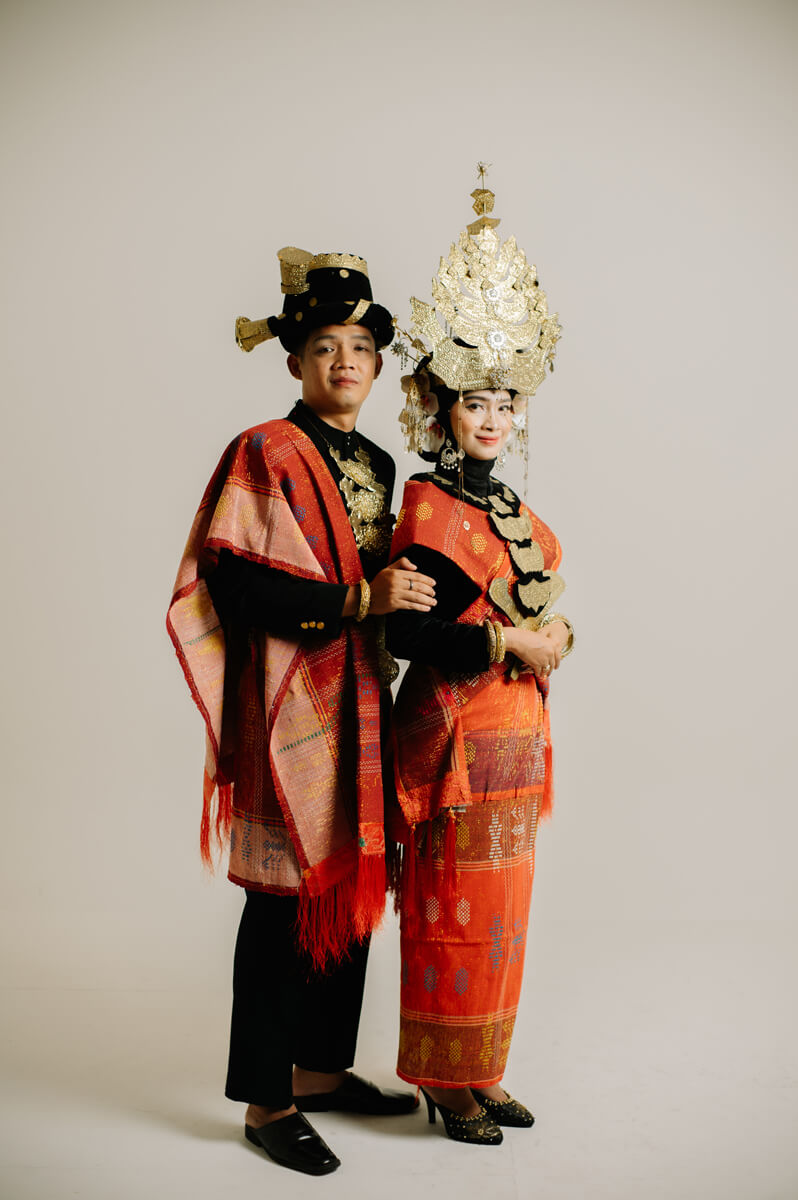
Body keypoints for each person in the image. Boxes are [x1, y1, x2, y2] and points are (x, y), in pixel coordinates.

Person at [166, 247, 435, 1175]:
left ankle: (320, 1069)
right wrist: (360, 601)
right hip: (287, 699)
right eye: (325, 346)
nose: (344, 361)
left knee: (349, 888)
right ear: (295, 360)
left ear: (378, 364)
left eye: (359, 347)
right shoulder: (264, 450)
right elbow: (235, 583)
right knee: (282, 901)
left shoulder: (381, 462)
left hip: (361, 695)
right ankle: (265, 1101)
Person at [385, 178, 574, 1146]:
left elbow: (541, 612)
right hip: (453, 751)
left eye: (505, 402)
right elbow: (410, 637)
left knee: (504, 916)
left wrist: (560, 639)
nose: (492, 417)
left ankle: (485, 1069)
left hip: (515, 749)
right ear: (443, 409)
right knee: (451, 915)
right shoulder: (426, 507)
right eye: (475, 402)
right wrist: (514, 642)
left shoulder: (513, 512)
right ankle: (442, 1079)